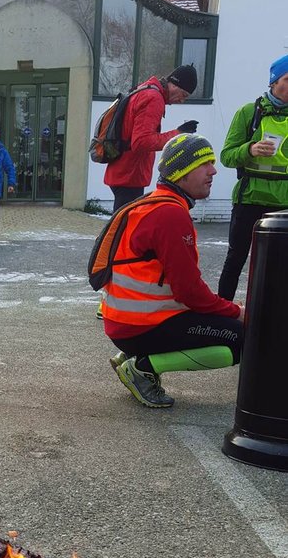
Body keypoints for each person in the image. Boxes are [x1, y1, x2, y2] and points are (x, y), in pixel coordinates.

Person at [102, 133, 244, 409]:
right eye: (204, 164)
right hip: (140, 326)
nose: (213, 170)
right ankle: (142, 366)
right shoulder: (169, 214)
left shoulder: (153, 204)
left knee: (225, 323)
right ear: (181, 173)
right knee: (241, 339)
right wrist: (236, 311)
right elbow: (189, 292)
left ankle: (131, 357)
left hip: (127, 322)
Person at [217, 54, 288, 300]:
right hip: (249, 199)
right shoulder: (249, 112)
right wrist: (250, 149)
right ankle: (222, 310)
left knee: (280, 266)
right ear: (273, 81)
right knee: (235, 259)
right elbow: (226, 156)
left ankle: (274, 317)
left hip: (283, 205)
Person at [104, 65, 200, 212]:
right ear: (174, 85)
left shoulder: (145, 89)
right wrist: (178, 134)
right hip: (130, 174)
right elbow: (142, 142)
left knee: (122, 224)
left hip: (124, 170)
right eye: (184, 95)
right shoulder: (153, 98)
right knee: (124, 227)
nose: (182, 101)